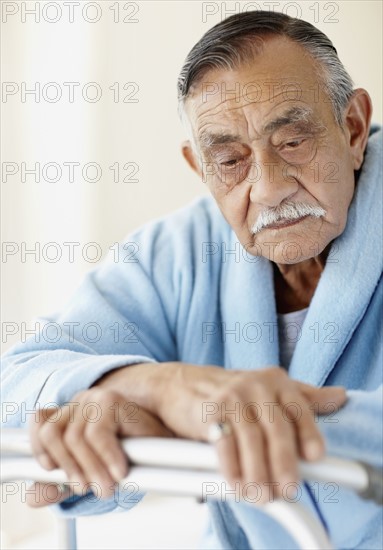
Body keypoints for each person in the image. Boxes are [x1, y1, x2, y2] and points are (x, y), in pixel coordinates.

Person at [2, 10, 382, 550]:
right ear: (200, 169)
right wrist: (149, 387)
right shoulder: (178, 252)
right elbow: (16, 380)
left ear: (351, 128)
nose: (269, 187)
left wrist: (177, 425)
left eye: (294, 141)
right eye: (230, 160)